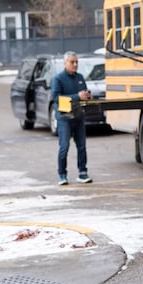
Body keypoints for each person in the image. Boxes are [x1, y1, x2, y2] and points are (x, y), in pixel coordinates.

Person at [51, 51, 93, 185]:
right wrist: (77, 97)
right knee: (64, 146)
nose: (75, 64)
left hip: (79, 116)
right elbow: (56, 98)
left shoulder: (80, 77)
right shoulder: (58, 79)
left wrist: (87, 96)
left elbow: (83, 94)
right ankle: (62, 174)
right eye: (72, 62)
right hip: (64, 117)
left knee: (82, 146)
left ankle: (83, 172)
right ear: (65, 63)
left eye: (76, 62)